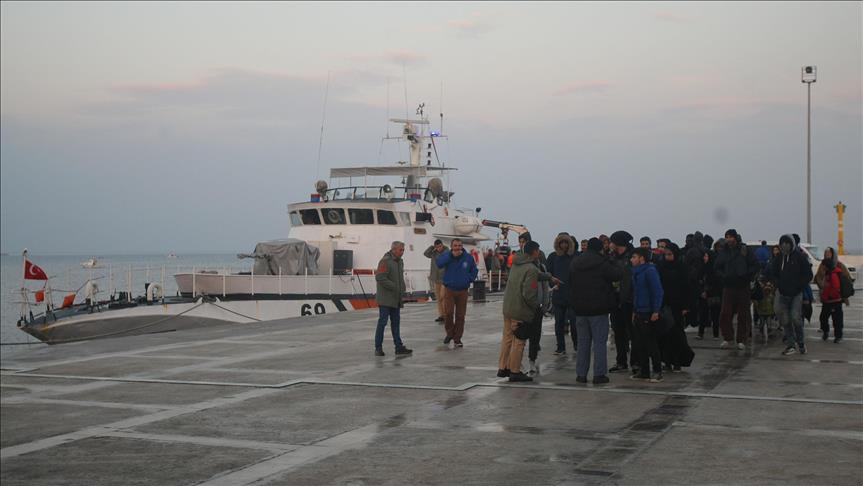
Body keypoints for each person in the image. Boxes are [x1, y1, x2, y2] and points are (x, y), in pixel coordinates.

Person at [569, 237, 624, 384]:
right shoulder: (602, 262)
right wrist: (611, 259)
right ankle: (599, 374)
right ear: (600, 249)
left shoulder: (576, 262)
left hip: (580, 309)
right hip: (599, 309)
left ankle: (581, 374)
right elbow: (618, 274)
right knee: (599, 343)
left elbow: (570, 282)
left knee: (583, 343)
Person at [499, 240, 543, 382]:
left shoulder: (516, 264)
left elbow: (533, 275)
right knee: (519, 340)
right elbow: (529, 294)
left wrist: (548, 277)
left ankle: (503, 367)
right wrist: (536, 306)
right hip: (520, 310)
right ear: (534, 251)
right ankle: (515, 370)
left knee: (507, 339)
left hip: (508, 307)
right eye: (538, 251)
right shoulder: (531, 269)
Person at [766, 234, 813, 355]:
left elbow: (808, 274)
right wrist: (778, 283)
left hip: (796, 294)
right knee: (785, 319)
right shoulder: (779, 258)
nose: (785, 246)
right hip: (782, 293)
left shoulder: (800, 257)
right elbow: (773, 273)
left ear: (792, 244)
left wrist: (799, 285)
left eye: (787, 243)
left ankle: (801, 343)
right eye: (782, 243)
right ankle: (791, 345)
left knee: (796, 318)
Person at [714, 229, 759, 351]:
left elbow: (755, 265)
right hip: (728, 286)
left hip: (743, 286)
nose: (729, 239)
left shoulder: (745, 250)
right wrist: (723, 276)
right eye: (727, 237)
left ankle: (741, 339)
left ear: (735, 238)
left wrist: (746, 275)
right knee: (725, 313)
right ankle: (728, 337)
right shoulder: (724, 252)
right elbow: (717, 267)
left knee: (743, 314)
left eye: (731, 237)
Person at [630, 247, 665, 382]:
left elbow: (658, 291)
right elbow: (636, 293)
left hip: (648, 312)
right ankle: (644, 371)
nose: (631, 260)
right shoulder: (636, 272)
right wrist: (634, 310)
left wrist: (656, 310)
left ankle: (657, 371)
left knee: (651, 343)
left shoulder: (650, 271)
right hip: (639, 311)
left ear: (642, 258)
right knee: (640, 343)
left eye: (634, 257)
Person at [436, 238, 478, 348]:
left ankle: (457, 338)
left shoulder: (468, 258)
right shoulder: (447, 256)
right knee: (448, 313)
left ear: (462, 246)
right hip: (449, 289)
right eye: (455, 246)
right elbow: (439, 263)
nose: (457, 248)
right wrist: (451, 256)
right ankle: (450, 333)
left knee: (460, 316)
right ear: (451, 247)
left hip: (463, 290)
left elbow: (474, 270)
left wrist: (469, 279)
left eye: (459, 245)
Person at [374, 241, 413, 356]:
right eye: (401, 250)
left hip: (395, 298)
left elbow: (400, 277)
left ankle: (398, 347)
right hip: (385, 299)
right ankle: (378, 348)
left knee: (396, 323)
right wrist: (395, 287)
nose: (402, 252)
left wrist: (402, 287)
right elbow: (380, 277)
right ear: (394, 249)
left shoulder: (400, 262)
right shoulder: (385, 261)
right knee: (382, 322)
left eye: (403, 250)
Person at [657, 243, 690, 372]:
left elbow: (687, 287)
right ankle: (667, 361)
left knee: (677, 334)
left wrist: (686, 306)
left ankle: (678, 361)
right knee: (665, 334)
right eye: (665, 254)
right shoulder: (661, 267)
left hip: (677, 305)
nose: (667, 257)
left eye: (670, 254)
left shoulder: (681, 267)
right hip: (664, 305)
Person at [608, 230, 637, 374]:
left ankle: (636, 362)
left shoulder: (632, 257)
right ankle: (621, 362)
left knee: (633, 333)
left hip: (629, 300)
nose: (610, 244)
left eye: (612, 241)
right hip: (615, 300)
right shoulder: (611, 257)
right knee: (618, 332)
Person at [547, 233, 577, 355]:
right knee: (559, 323)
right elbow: (548, 273)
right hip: (558, 294)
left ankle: (577, 345)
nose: (564, 245)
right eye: (561, 243)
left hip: (573, 295)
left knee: (574, 323)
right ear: (558, 244)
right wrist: (552, 284)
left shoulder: (575, 256)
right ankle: (560, 347)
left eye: (566, 242)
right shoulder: (553, 257)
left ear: (569, 243)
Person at [815, 247, 851, 343]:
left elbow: (846, 278)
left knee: (837, 319)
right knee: (823, 318)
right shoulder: (822, 265)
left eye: (829, 253)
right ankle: (825, 331)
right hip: (826, 298)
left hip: (836, 298)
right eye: (825, 253)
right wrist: (822, 285)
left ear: (833, 254)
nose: (827, 255)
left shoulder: (839, 265)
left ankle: (838, 335)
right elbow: (818, 277)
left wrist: (843, 295)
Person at [697, 248, 722, 340]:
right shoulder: (702, 268)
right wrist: (701, 291)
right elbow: (698, 280)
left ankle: (716, 334)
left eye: (706, 256)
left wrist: (707, 291)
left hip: (713, 295)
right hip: (704, 295)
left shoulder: (715, 270)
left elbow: (717, 283)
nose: (704, 258)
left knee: (715, 315)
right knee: (703, 315)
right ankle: (700, 333)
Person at [423, 239, 449, 323]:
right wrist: (432, 247)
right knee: (438, 298)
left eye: (440, 246)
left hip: (444, 278)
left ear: (442, 245)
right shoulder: (433, 253)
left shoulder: (447, 252)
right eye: (437, 247)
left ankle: (446, 315)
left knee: (443, 297)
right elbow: (426, 254)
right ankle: (441, 315)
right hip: (436, 278)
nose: (439, 248)